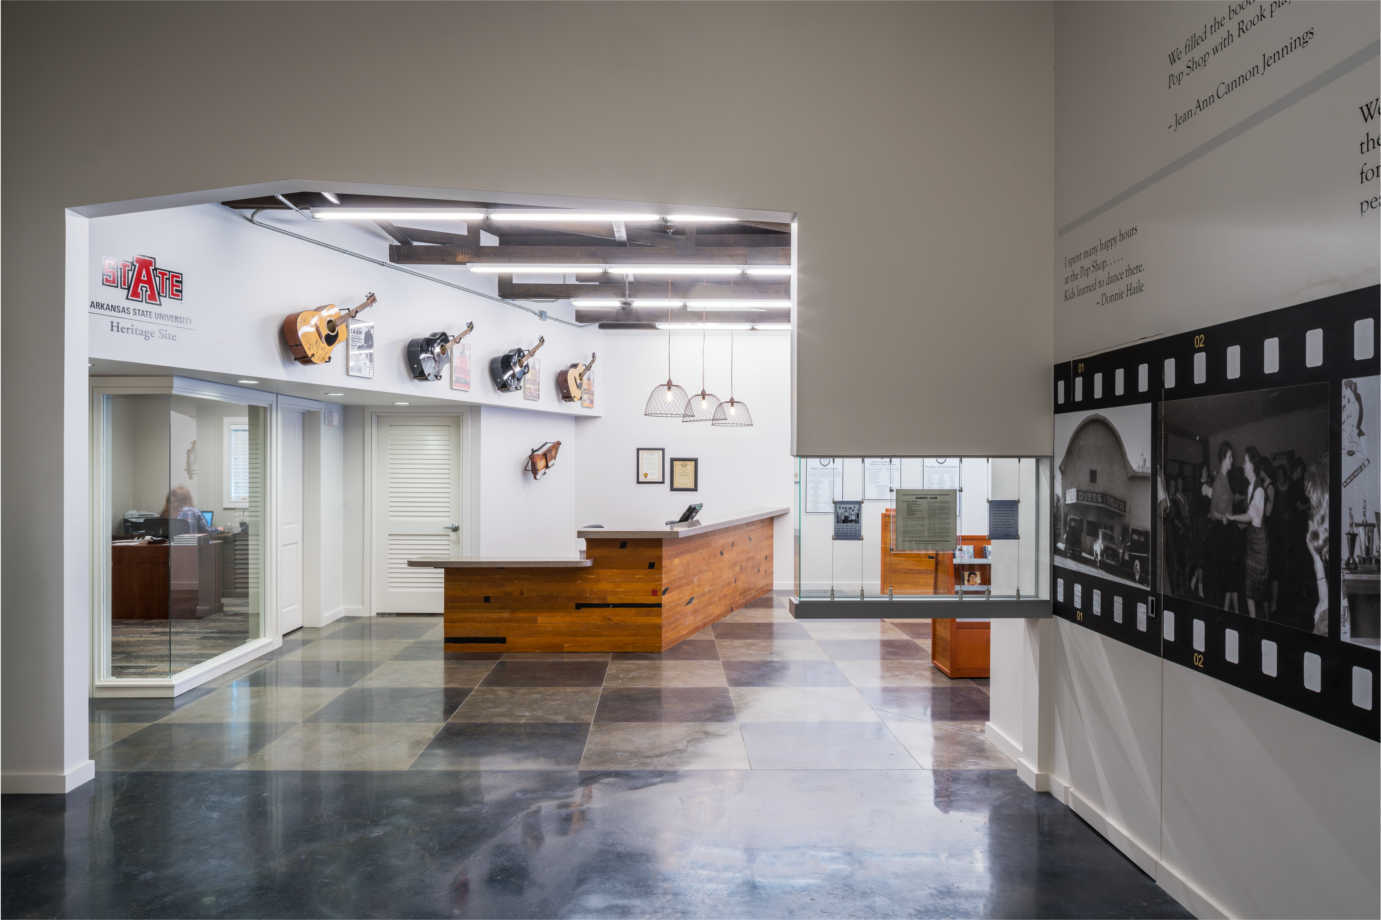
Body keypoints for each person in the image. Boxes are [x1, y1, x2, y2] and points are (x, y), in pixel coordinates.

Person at [1227, 447, 1269, 619]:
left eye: (1245, 461)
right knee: (1252, 593)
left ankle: (1261, 625)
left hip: (1259, 547)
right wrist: (1236, 524)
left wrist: (1231, 517)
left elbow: (1251, 516)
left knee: (1254, 593)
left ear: (1252, 465)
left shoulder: (1258, 490)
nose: (1243, 465)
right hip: (1252, 544)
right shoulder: (1251, 487)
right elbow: (1250, 520)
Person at [1208, 441, 1239, 612]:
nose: (1232, 460)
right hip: (1222, 532)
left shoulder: (1226, 479)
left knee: (1230, 576)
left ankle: (1231, 611)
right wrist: (1224, 518)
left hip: (1229, 531)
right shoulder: (1219, 480)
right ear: (1223, 458)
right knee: (1226, 576)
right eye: (1230, 457)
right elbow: (1212, 512)